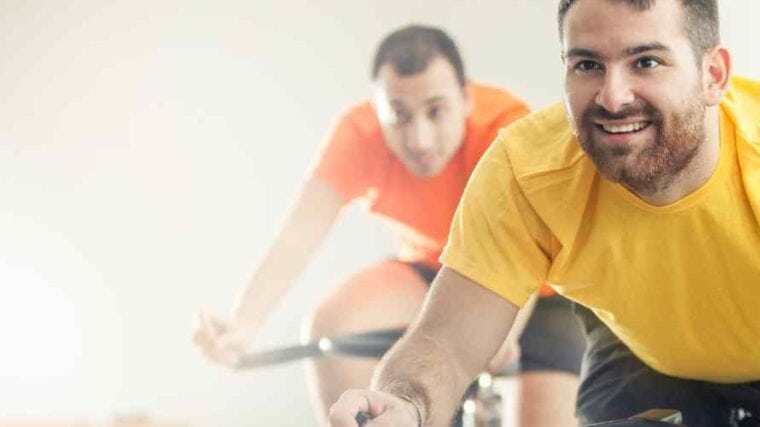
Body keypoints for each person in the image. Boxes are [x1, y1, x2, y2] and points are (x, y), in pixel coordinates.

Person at [327, 2, 760, 427]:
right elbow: (445, 341)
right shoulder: (525, 168)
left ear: (714, 75)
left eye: (646, 61)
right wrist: (404, 404)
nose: (612, 95)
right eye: (587, 65)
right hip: (642, 358)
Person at [191, 25, 585, 427]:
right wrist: (243, 325)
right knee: (331, 326)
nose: (419, 139)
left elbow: (528, 249)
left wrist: (498, 334)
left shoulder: (508, 128)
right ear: (377, 108)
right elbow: (298, 235)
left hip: (538, 287)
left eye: (435, 111)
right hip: (435, 270)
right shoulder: (358, 134)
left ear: (466, 99)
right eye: (398, 115)